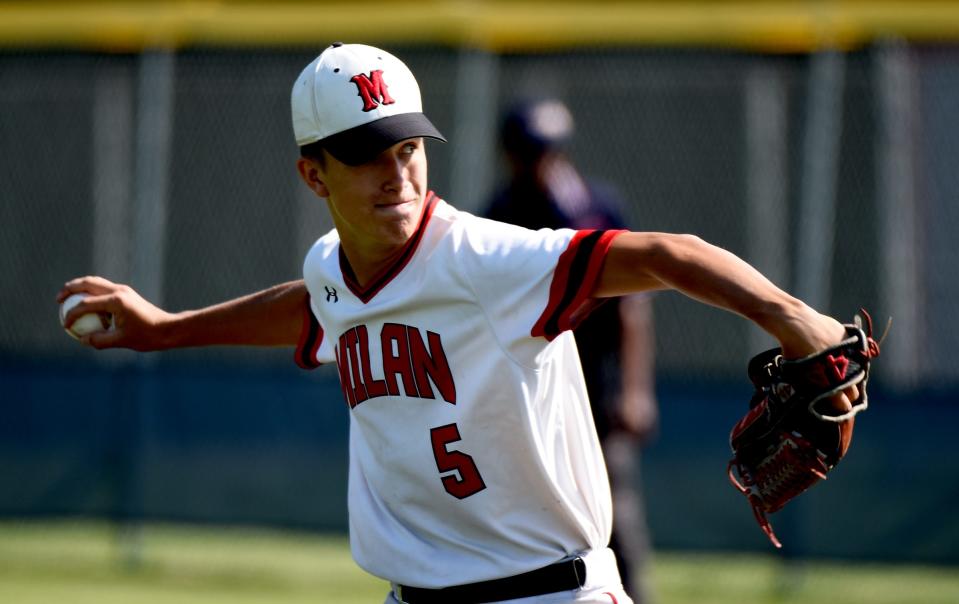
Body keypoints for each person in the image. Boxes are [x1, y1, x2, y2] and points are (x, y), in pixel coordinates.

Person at [59, 43, 860, 604]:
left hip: (550, 593)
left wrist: (790, 317)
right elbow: (314, 306)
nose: (396, 169)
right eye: (368, 151)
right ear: (314, 174)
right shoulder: (331, 270)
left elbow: (668, 255)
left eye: (408, 143)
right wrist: (165, 328)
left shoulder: (489, 261)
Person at [484, 99, 656, 603]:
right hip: (532, 391)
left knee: (615, 515)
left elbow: (632, 306)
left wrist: (635, 390)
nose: (540, 162)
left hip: (595, 386)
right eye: (528, 152)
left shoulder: (593, 206)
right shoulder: (501, 213)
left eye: (547, 151)